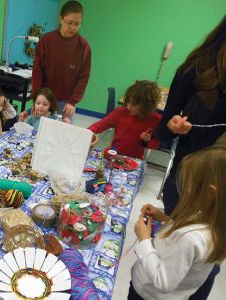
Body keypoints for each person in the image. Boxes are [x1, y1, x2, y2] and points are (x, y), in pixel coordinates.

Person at [156, 16, 226, 299]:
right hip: (190, 176)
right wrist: (172, 126)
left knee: (207, 262)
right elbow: (164, 128)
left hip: (218, 186)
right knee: (177, 249)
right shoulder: (194, 70)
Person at [129, 145, 226, 300]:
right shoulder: (212, 223)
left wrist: (144, 240)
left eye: (189, 185)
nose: (184, 190)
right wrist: (164, 219)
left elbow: (163, 282)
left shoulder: (191, 238)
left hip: (148, 295)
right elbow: (183, 233)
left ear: (210, 193)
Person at [32, 0, 91, 122]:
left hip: (67, 103)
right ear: (61, 19)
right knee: (38, 132)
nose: (73, 27)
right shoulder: (46, 41)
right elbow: (37, 72)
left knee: (62, 136)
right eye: (69, 23)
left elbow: (83, 79)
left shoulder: (83, 46)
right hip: (45, 99)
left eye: (77, 24)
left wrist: (73, 101)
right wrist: (36, 99)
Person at [88, 80, 162, 160]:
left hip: (133, 160)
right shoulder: (121, 112)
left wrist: (146, 141)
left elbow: (155, 144)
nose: (129, 106)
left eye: (134, 104)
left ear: (147, 106)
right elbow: (100, 125)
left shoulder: (155, 120)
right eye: (128, 102)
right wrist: (85, 132)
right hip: (113, 155)